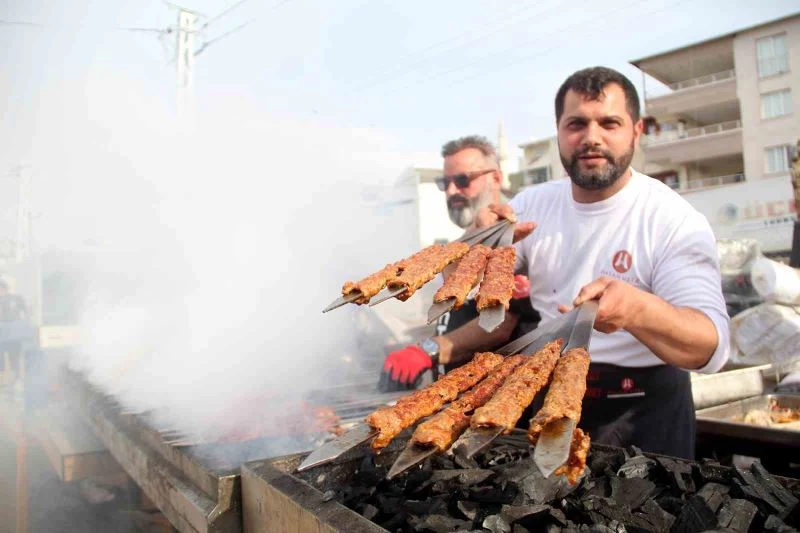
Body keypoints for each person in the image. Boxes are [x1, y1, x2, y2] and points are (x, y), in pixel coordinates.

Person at [421, 67, 730, 459]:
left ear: (636, 131)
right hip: (548, 399)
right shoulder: (532, 205)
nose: (591, 137)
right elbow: (458, 288)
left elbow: (711, 347)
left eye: (609, 123)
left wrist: (635, 310)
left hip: (644, 411)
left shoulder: (672, 220)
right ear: (559, 134)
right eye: (577, 124)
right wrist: (474, 244)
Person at [378, 136, 538, 392]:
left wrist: (428, 350)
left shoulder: (517, 235)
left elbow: (500, 325)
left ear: (496, 178)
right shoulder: (466, 240)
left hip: (497, 402)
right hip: (454, 397)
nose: (452, 191)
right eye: (446, 182)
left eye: (464, 180)